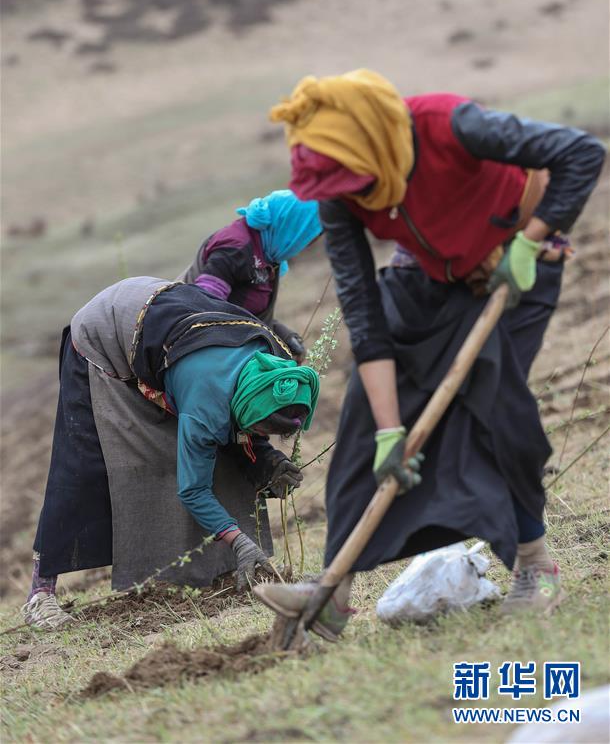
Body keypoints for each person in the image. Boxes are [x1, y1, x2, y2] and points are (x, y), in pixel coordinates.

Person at [254, 69, 605, 641]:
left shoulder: (448, 125)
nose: (351, 198)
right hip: (431, 273)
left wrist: (530, 240)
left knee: (495, 404)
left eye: (356, 184)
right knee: (367, 415)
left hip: (515, 266)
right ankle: (333, 592)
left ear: (376, 145)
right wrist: (392, 431)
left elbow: (580, 153)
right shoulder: (339, 198)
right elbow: (365, 315)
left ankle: (535, 565)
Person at [23, 276, 319, 630]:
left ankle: (220, 573)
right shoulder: (207, 404)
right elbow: (192, 490)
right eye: (261, 430)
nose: (258, 435)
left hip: (165, 325)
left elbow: (245, 424)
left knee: (215, 453)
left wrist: (267, 462)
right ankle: (39, 594)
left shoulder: (273, 363)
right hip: (103, 333)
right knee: (89, 468)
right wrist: (240, 541)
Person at [178, 189, 322, 362]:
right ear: (292, 229)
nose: (306, 246)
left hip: (233, 351)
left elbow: (240, 309)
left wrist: (280, 334)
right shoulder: (234, 250)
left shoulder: (269, 251)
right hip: (204, 357)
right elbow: (203, 312)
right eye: (307, 238)